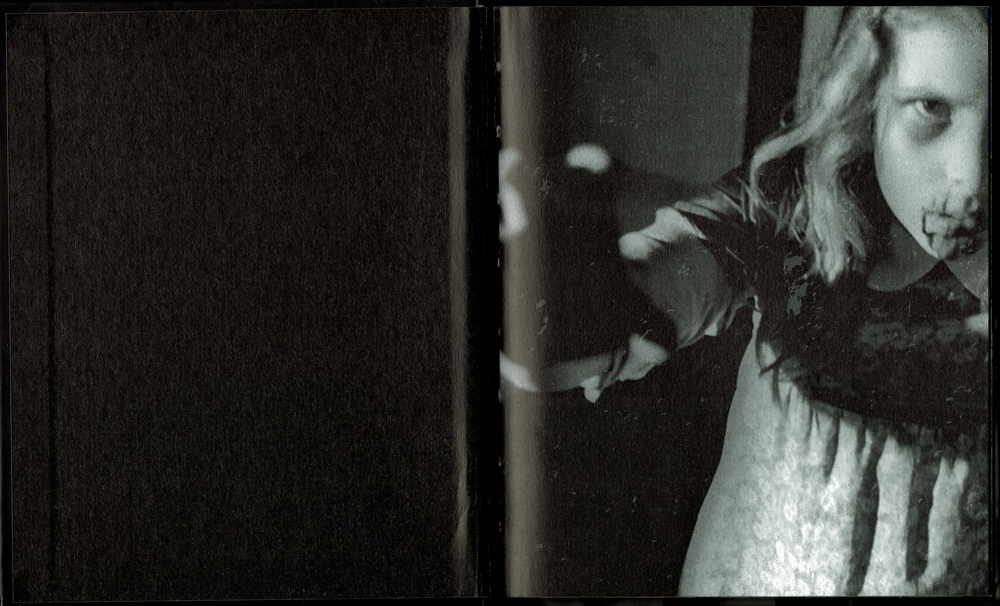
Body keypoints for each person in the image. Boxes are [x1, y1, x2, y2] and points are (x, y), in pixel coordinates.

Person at [501, 6, 989, 596]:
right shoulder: (799, 198)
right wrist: (589, 308)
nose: (969, 178)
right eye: (931, 107)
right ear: (871, 89)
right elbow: (686, 264)